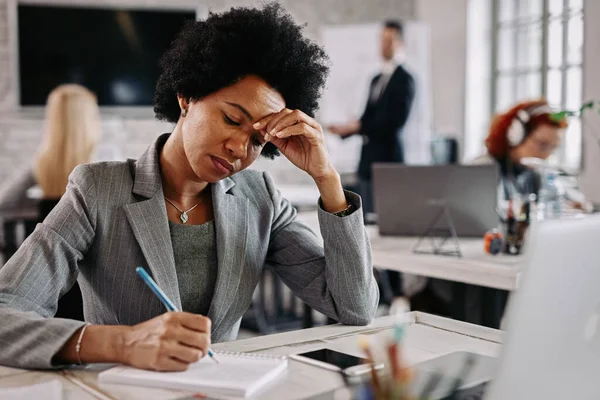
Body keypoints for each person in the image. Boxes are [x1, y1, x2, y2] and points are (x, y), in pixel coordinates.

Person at [0, 4, 379, 371]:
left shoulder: (259, 197)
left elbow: (355, 307)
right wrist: (124, 344)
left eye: (259, 140)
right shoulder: (98, 190)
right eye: (232, 118)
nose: (239, 148)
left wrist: (327, 179)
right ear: (186, 97)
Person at [0, 84, 101, 321]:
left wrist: (38, 211)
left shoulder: (41, 168)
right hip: (89, 286)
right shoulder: (101, 170)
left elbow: (5, 205)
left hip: (48, 285)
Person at [328, 20, 415, 216]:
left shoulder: (405, 80)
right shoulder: (376, 78)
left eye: (389, 40)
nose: (384, 45)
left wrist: (358, 127)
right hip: (368, 159)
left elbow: (396, 122)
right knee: (364, 216)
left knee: (388, 217)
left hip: (389, 161)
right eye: (382, 39)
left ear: (401, 43)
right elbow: (368, 118)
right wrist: (347, 129)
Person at [473, 99, 567, 201]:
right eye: (542, 145)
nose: (546, 155)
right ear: (516, 136)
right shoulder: (481, 171)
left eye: (553, 148)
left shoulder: (533, 175)